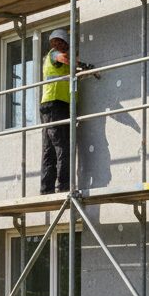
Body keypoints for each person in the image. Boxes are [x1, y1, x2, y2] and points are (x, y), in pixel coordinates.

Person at [39, 28, 96, 195]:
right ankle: (63, 186)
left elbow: (71, 70)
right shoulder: (53, 55)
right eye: (62, 43)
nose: (63, 47)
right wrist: (83, 65)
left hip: (57, 105)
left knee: (49, 149)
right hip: (54, 105)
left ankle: (46, 189)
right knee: (63, 145)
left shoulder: (64, 63)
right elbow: (64, 59)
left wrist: (86, 71)